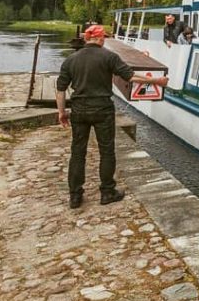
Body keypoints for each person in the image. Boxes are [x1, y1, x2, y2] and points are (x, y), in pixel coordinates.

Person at [56, 25, 168, 209]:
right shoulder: (109, 57)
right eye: (104, 38)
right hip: (102, 109)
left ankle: (75, 196)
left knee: (77, 152)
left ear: (86, 39)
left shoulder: (70, 60)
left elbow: (60, 90)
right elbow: (131, 78)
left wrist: (61, 112)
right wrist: (157, 81)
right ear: (100, 39)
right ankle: (107, 192)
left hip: (79, 110)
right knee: (106, 151)